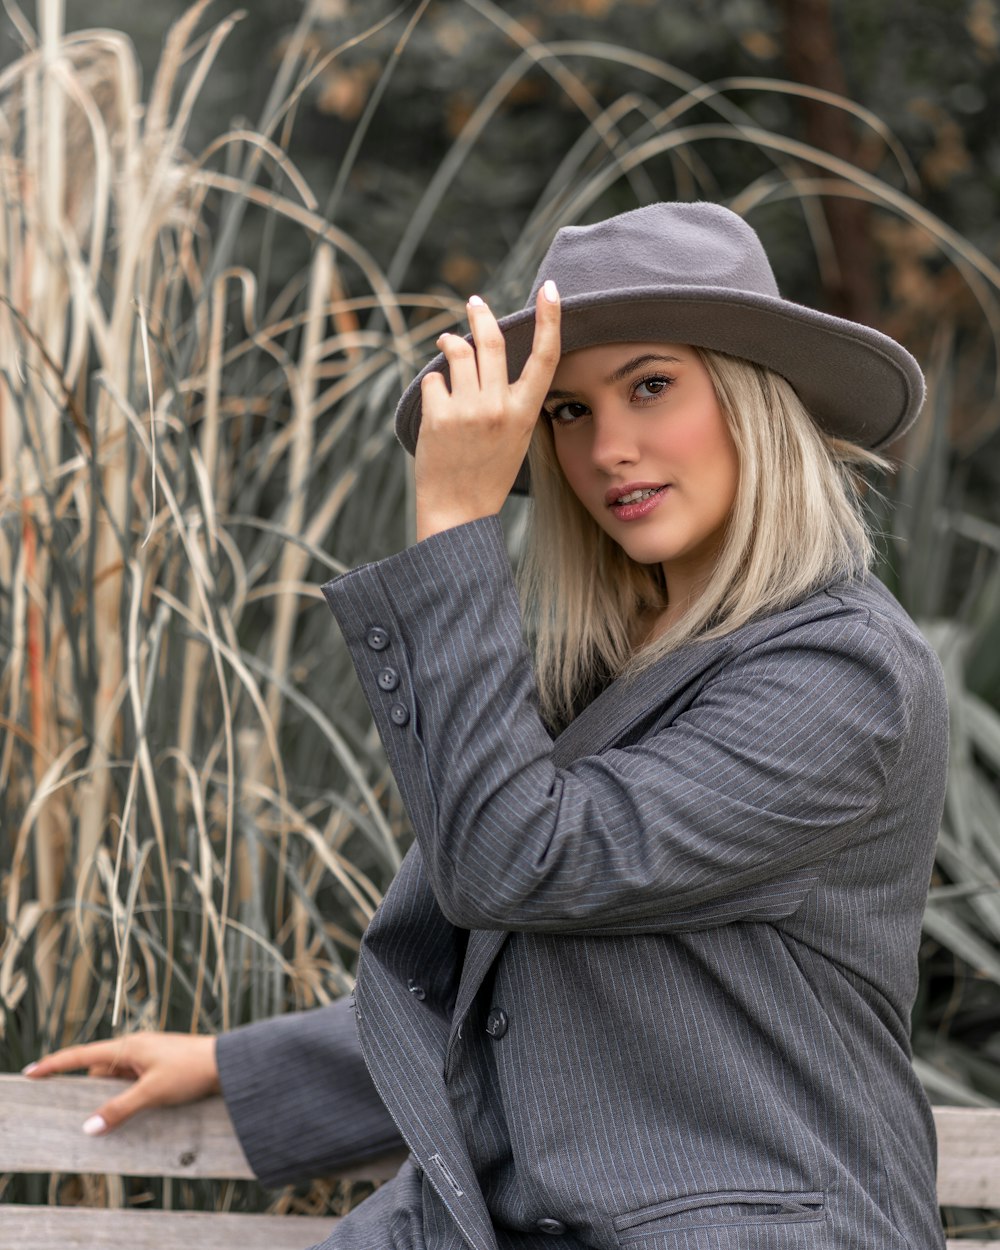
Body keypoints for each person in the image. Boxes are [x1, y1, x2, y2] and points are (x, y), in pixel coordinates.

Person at [26, 202, 949, 1250]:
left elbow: (521, 863)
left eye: (651, 385)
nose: (608, 447)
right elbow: (542, 996)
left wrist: (456, 530)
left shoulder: (842, 670)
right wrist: (242, 1069)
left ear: (751, 397)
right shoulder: (614, 670)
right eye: (563, 411)